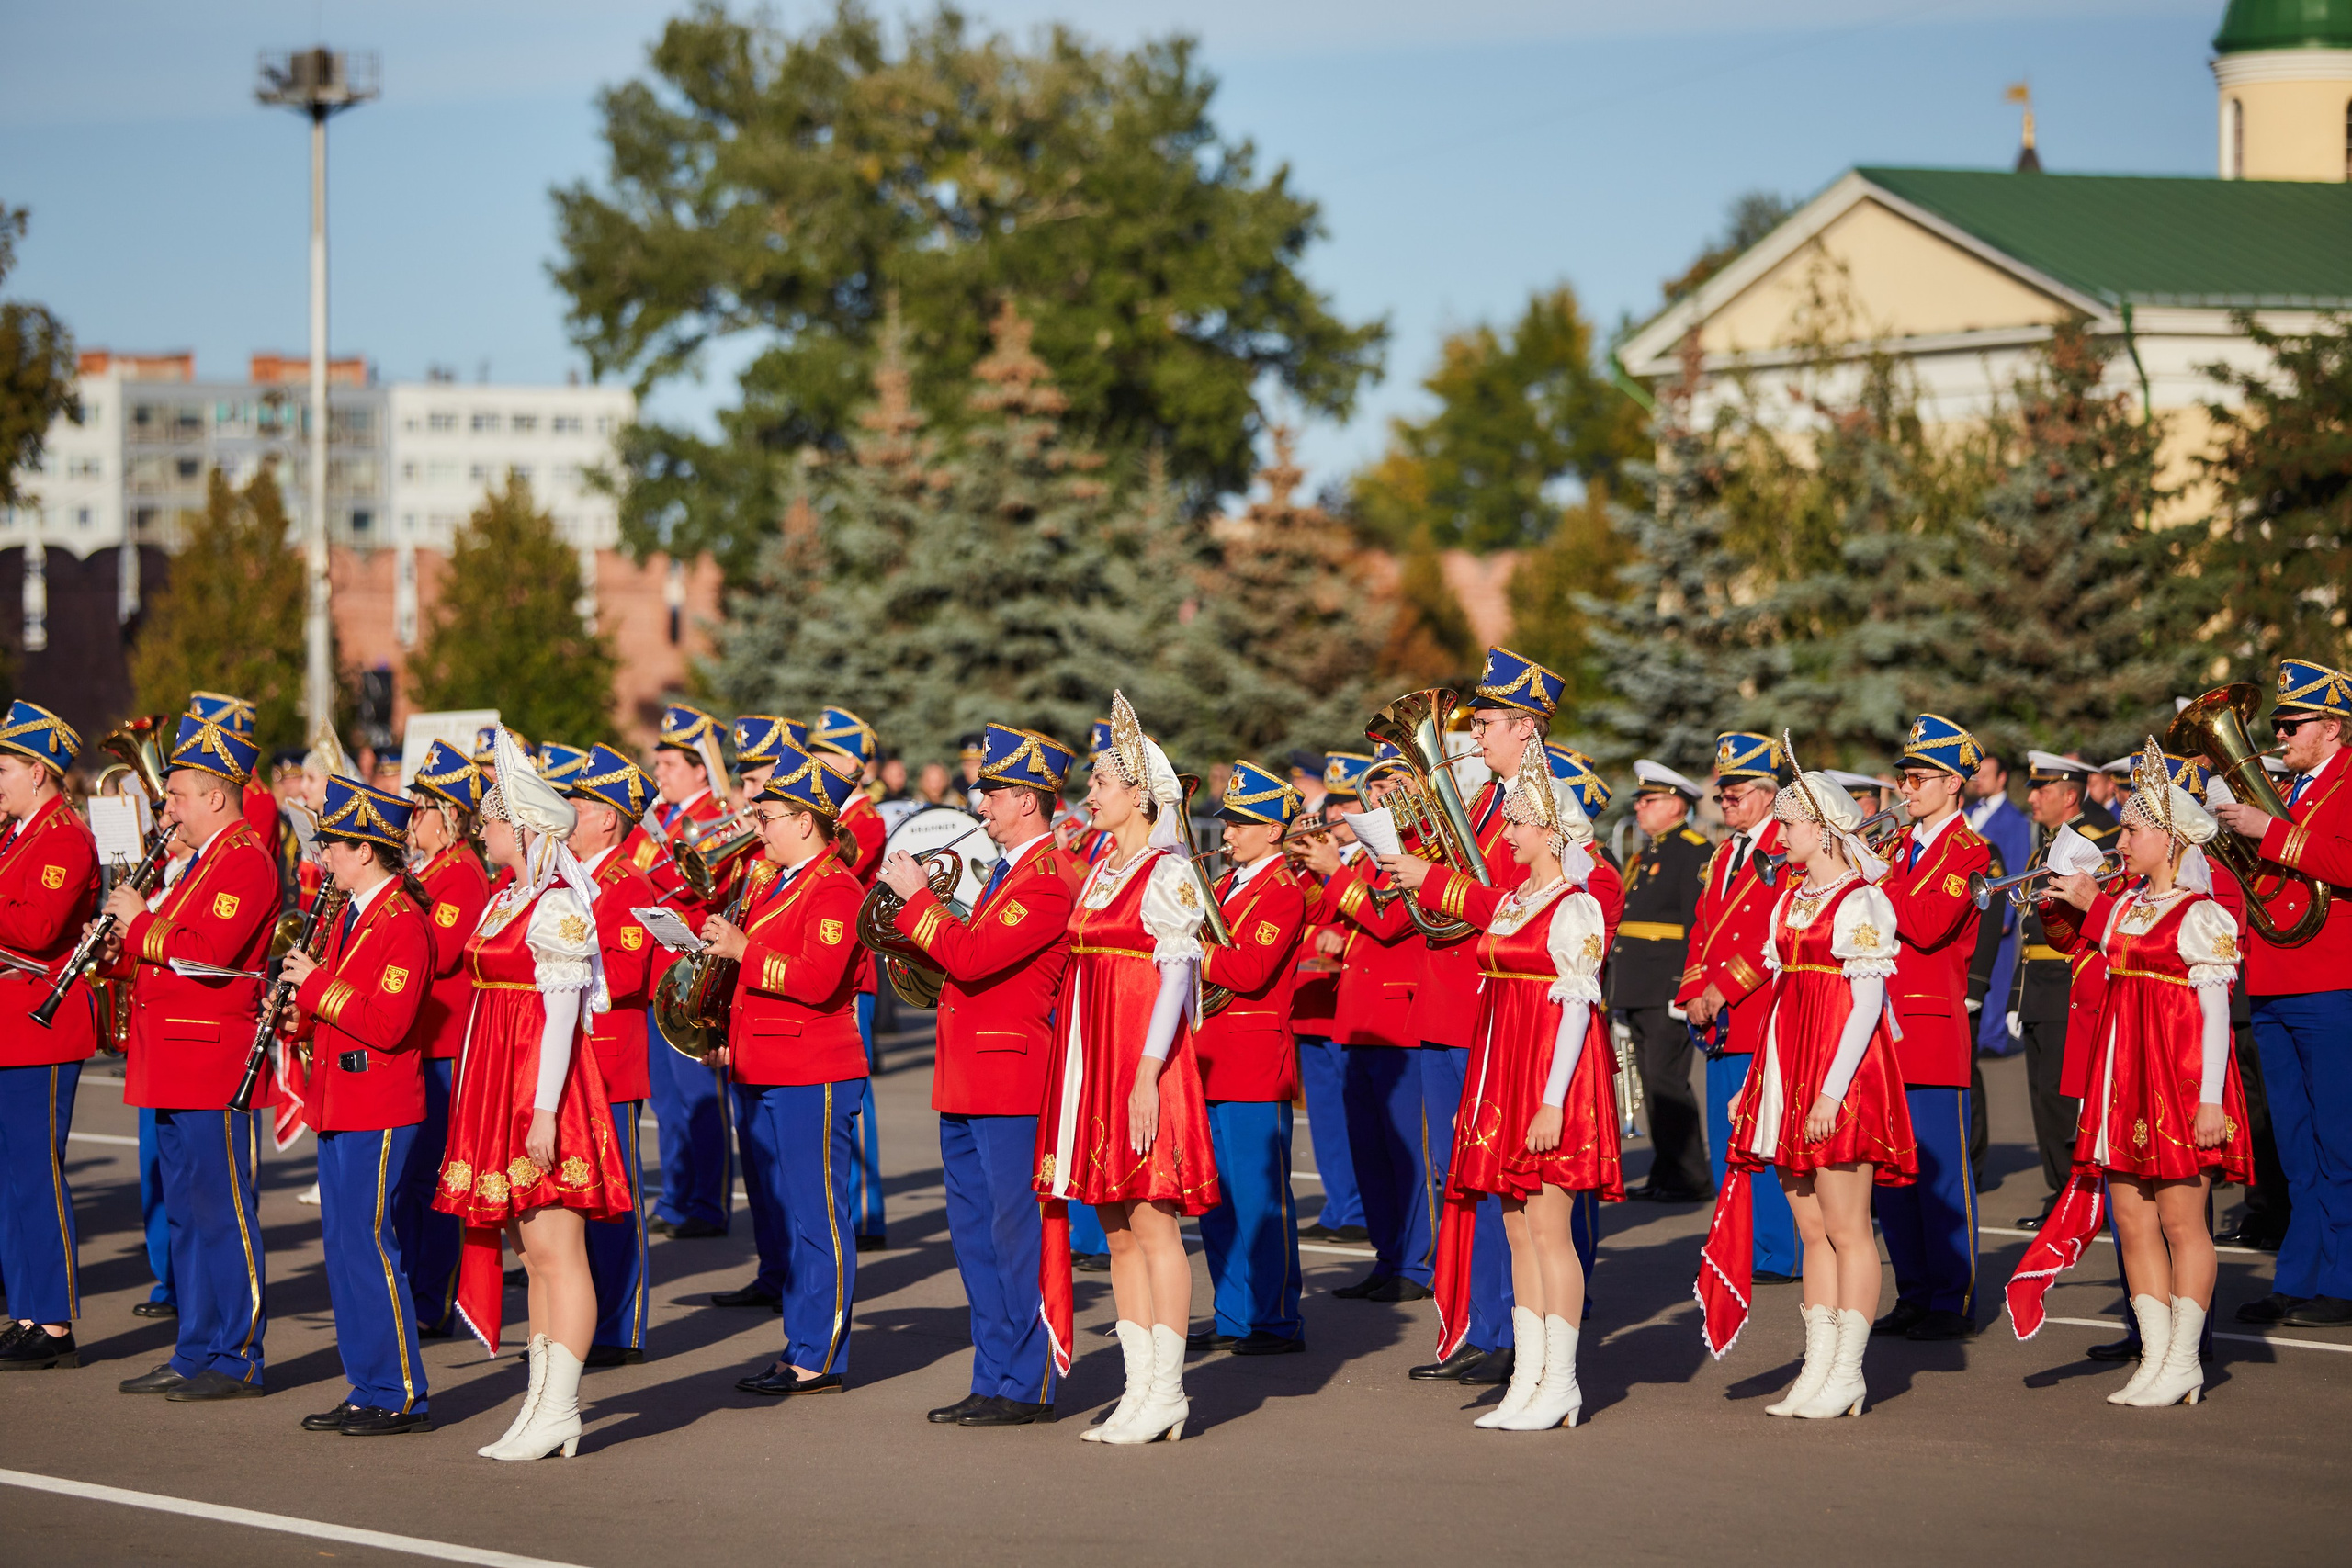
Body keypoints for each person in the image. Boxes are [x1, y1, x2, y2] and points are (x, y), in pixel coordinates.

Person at [1385, 649, 1621, 1384]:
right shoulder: (1490, 798)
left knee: (1515, 1191)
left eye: (1486, 722)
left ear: (1525, 727)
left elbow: (1583, 900)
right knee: (1469, 1181)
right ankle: (1482, 1327)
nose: (1473, 734)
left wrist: (1440, 884)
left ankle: (1524, 1343)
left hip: (1515, 1018)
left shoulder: (1551, 803)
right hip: (1465, 1007)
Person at [2008, 744, 2254, 1406]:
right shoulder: (2125, 906)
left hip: (2177, 1078)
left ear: (2170, 839)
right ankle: (2153, 1354)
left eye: (2133, 830)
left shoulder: (2202, 912)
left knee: (2182, 1221)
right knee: (2132, 1218)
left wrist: (2210, 1101)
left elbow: (2214, 1013)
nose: (2121, 841)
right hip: (2124, 1077)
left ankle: (2185, 1359)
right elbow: (2085, 946)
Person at [436, 728, 637, 1461]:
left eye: (490, 821)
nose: (481, 832)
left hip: (537, 1084)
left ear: (522, 828)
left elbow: (560, 1014)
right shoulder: (505, 897)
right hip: (501, 1079)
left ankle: (560, 1407)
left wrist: (544, 1110)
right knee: (531, 1252)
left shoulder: (555, 903)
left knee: (557, 1250)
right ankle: (540, 1401)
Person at [1697, 768, 1917, 1418]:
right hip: (1791, 1067)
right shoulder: (1792, 898)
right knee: (1813, 1229)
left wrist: (1830, 1093)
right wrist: (1757, 1084)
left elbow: (1866, 1005)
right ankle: (1818, 1364)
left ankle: (1848, 1371)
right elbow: (1779, 998)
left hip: (1839, 1073)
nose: (1781, 835)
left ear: (1821, 830)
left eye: (1790, 824)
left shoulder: (1862, 900)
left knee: (1849, 1228)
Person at [880, 723, 1081, 1427]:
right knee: (975, 1239)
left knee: (1013, 1237)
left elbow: (973, 956)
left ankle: (1025, 1382)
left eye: (992, 793)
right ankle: (992, 1374)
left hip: (1010, 1077)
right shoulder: (1005, 871)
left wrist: (917, 898)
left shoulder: (1049, 879)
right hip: (969, 1075)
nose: (981, 804)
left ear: (1027, 800)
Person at [1035, 693, 1218, 1444]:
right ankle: (1137, 1386)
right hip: (1094, 1059)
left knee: (1152, 1221)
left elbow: (1176, 976)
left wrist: (1146, 1072)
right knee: (1113, 1227)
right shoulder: (1102, 868)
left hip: (1141, 1059)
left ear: (1139, 794)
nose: (1090, 792)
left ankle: (1168, 1390)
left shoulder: (1166, 870)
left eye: (1102, 781)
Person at [1424, 748, 1623, 1430]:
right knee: (1516, 1229)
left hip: (1546, 1071)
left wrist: (1552, 1100)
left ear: (1549, 830)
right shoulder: (1515, 900)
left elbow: (1577, 1007)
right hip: (1504, 1068)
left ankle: (1560, 1381)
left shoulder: (1577, 906)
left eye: (1517, 824)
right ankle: (1529, 1377)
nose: (1506, 835)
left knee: (1548, 1229)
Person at [103, 705, 281, 1400]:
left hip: (212, 1059)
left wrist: (140, 923)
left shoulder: (246, 860)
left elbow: (209, 954)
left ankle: (237, 1356)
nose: (167, 806)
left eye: (176, 794)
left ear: (215, 797)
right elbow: (166, 951)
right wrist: (119, 949)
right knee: (183, 1209)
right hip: (173, 1057)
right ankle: (195, 1347)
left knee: (222, 1211)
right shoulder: (200, 862)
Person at [700, 742, 867, 1399]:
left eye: (767, 815)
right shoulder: (780, 880)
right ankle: (801, 1343)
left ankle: (819, 1354)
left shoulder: (836, 886)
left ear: (805, 820)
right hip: (769, 1062)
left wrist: (744, 948)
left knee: (818, 1218)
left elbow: (817, 979)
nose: (757, 824)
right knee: (793, 1216)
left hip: (811, 1069)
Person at [279, 775, 437, 1435]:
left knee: (370, 1245)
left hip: (377, 1101)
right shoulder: (352, 912)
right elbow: (340, 1007)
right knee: (343, 1248)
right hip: (340, 1096)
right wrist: (298, 1013)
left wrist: (316, 986)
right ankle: (367, 1383)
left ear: (366, 851)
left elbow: (388, 1023)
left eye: (333, 847)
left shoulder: (404, 922)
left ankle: (399, 1391)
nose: (324, 859)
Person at [2209, 659, 2352, 1327]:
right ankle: (2299, 1276)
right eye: (2279, 724)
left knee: (2338, 1140)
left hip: (2330, 979)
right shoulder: (2285, 788)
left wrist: (2270, 832)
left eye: (2292, 724)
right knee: (2293, 1146)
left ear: (2331, 726)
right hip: (2272, 977)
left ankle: (2343, 1280)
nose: (2280, 734)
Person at [1868, 715, 1992, 1343]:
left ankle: (1951, 1297)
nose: (1906, 789)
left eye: (1918, 778)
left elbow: (1925, 922)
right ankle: (1913, 1291)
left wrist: (1874, 877)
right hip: (1879, 1022)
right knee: (1892, 1175)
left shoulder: (1969, 851)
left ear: (1952, 783)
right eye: (1904, 777)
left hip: (1930, 1024)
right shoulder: (1894, 847)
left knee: (1940, 1175)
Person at [1300, 747, 1433, 1320]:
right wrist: (1317, 868)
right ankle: (1388, 1257)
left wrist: (1333, 870)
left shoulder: (1422, 852)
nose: (1377, 796)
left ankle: (1417, 1264)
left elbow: (1387, 920)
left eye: (1391, 785)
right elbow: (1323, 918)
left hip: (1399, 1020)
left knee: (1407, 1154)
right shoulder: (1369, 856)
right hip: (1357, 1019)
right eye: (1374, 788)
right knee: (1370, 1151)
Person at [1188, 761, 1312, 1357]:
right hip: (1211, 1055)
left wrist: (1188, 948)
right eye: (1229, 822)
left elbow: (1249, 969)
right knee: (1216, 1200)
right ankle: (1234, 1313)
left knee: (1259, 1200)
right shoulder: (1229, 884)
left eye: (1241, 823)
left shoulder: (1282, 890)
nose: (1229, 832)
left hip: (1253, 1062)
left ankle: (1275, 1318)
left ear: (1273, 830)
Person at [1677, 734, 1803, 1285]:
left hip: (1758, 1009)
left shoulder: (1785, 847)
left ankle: (1779, 1251)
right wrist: (1694, 992)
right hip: (1719, 1018)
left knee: (1762, 1136)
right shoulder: (1724, 852)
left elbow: (1777, 929)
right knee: (1727, 1142)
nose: (1725, 802)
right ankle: (1740, 1243)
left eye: (1736, 793)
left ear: (1768, 794)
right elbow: (1703, 928)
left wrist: (1724, 988)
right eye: (1722, 794)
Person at [0, 702, 100, 1371]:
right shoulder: (16, 834)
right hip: (11, 1021)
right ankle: (27, 1310)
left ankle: (55, 1320)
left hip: (41, 1023)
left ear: (37, 771)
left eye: (4, 768)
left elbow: (37, 927)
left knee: (37, 1172)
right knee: (10, 1177)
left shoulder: (65, 838)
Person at [560, 746, 664, 1368]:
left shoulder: (627, 883)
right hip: (572, 1054)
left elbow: (627, 973)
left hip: (609, 1059)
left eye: (579, 806)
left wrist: (562, 959)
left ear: (608, 818)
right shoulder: (572, 874)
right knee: (575, 1195)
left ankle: (621, 1328)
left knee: (616, 1197)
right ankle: (578, 1325)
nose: (568, 814)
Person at [708, 713, 801, 1313]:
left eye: (756, 782)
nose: (745, 795)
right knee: (760, 1167)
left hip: (788, 1036)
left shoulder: (803, 862)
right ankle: (773, 1269)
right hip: (745, 1024)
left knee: (790, 1176)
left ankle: (795, 1279)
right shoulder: (755, 856)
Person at [401, 741, 492, 1338]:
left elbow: (434, 952)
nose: (412, 818)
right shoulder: (430, 870)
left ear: (450, 815)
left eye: (421, 808)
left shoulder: (461, 874)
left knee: (434, 1177)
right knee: (414, 1176)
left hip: (446, 1048)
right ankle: (418, 1286)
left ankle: (434, 1298)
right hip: (422, 1042)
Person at [2009, 752, 2117, 1229]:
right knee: (2043, 1100)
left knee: (2065, 1100)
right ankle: (2061, 1192)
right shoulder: (2047, 846)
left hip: (2069, 981)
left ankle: (2077, 1195)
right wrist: (2015, 995)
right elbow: (2028, 930)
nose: (2033, 798)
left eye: (2043, 789)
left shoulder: (2094, 840)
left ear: (2070, 795)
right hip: (2039, 985)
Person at [645, 704, 733, 1242]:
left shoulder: (715, 819)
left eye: (670, 765)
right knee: (667, 1098)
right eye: (658, 764)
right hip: (660, 966)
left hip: (694, 969)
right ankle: (677, 1194)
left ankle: (707, 1200)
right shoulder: (666, 817)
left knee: (699, 1094)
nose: (660, 774)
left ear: (701, 770)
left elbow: (704, 889)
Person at [1611, 761, 1713, 1202]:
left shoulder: (1693, 851)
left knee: (1666, 1081)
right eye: (1639, 800)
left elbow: (1697, 924)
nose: (1639, 807)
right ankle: (1666, 1172)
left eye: (1648, 800)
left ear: (1676, 804)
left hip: (1665, 984)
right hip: (1639, 983)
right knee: (1652, 1083)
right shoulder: (1647, 852)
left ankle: (1690, 1177)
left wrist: (1683, 985)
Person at [810, 705, 889, 1251]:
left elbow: (838, 872)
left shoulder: (865, 819)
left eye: (825, 756)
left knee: (853, 1093)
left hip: (852, 973)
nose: (815, 764)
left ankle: (865, 1211)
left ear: (851, 765)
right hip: (820, 966)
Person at [1293, 752, 1371, 1244]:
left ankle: (1361, 1209)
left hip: (1348, 998)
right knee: (1324, 1117)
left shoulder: (1368, 859)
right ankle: (1341, 1204)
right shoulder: (1325, 856)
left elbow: (1365, 915)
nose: (1335, 815)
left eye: (1347, 804)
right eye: (1333, 804)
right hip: (1313, 998)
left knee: (1356, 1115)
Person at [1966, 750, 2034, 1057]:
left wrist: (2008, 913)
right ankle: (1979, 1035)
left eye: (1986, 775)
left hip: (1997, 910)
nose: (1978, 780)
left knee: (1998, 975)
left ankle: (1992, 1039)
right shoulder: (1971, 810)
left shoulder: (2014, 820)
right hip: (1974, 908)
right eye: (1977, 775)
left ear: (2002, 778)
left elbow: (2017, 866)